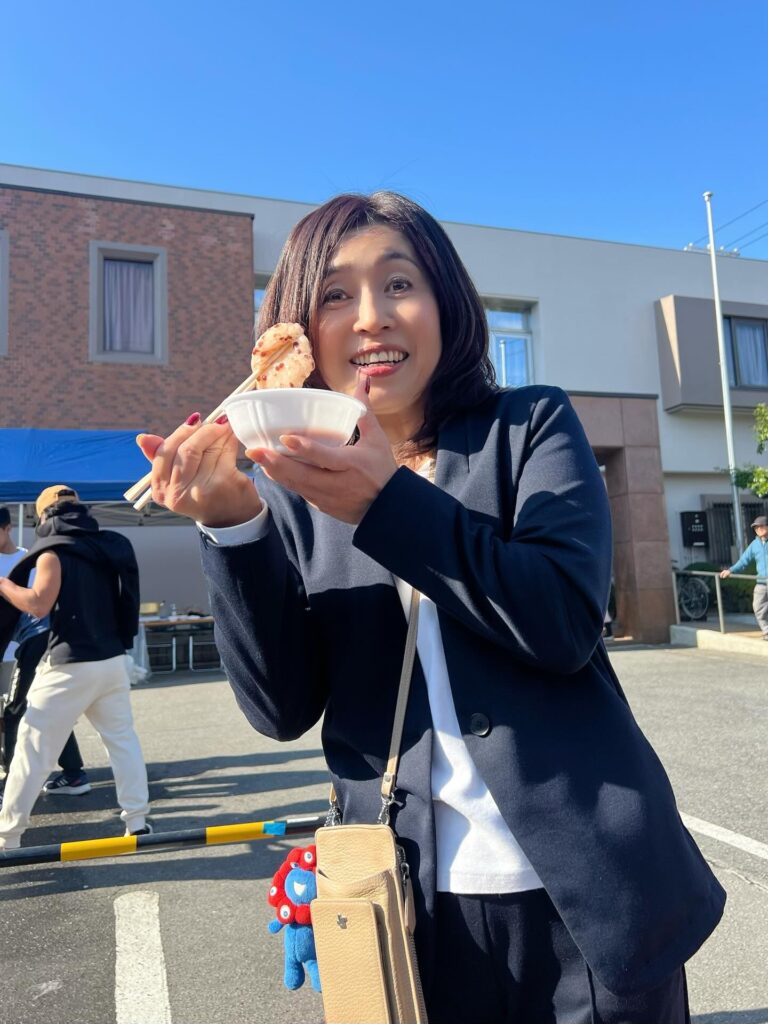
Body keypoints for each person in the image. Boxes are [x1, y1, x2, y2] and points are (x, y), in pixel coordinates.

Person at [137, 193, 724, 1023]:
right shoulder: (294, 493)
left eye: (399, 284)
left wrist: (386, 502)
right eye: (335, 295)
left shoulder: (528, 427)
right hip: (408, 908)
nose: (370, 317)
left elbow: (562, 622)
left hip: (590, 906)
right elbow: (280, 708)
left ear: (445, 304)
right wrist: (233, 523)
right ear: (300, 333)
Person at [0, 486, 150, 848]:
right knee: (122, 742)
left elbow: (38, 604)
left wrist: (4, 584)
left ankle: (8, 837)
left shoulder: (53, 552)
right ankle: (137, 821)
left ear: (43, 516)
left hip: (69, 665)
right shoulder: (105, 547)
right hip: (112, 660)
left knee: (32, 750)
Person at [719, 514, 768, 639]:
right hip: (761, 583)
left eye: (761, 526)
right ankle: (766, 631)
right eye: (756, 528)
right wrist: (730, 570)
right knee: (758, 607)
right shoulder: (755, 544)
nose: (758, 529)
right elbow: (743, 561)